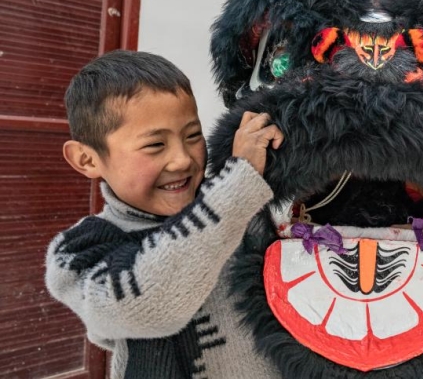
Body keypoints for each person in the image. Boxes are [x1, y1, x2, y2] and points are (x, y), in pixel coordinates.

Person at [45, 50, 284, 378]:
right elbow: (149, 306)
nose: (182, 159)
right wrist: (238, 184)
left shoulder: (243, 204)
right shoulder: (79, 253)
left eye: (193, 136)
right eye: (155, 145)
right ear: (87, 159)